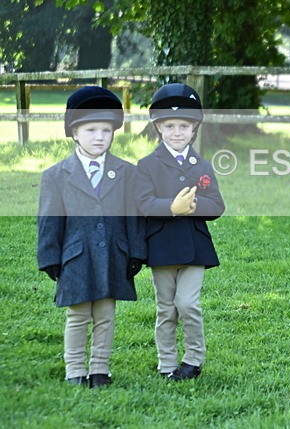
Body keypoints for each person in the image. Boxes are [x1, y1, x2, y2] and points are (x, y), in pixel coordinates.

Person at [37, 86, 145, 388]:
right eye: (91, 130)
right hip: (76, 257)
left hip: (113, 255)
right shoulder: (56, 175)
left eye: (106, 130)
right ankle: (74, 370)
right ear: (74, 132)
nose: (100, 137)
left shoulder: (126, 172)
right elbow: (49, 220)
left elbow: (134, 216)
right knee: (78, 315)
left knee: (106, 314)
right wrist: (49, 256)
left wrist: (136, 252)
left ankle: (99, 369)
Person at [135, 83, 225, 381]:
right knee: (166, 309)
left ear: (194, 128)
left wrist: (194, 205)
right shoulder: (146, 166)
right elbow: (143, 204)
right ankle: (167, 363)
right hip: (161, 247)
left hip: (194, 248)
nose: (177, 132)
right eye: (170, 126)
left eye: (184, 126)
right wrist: (171, 207)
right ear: (158, 128)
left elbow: (217, 205)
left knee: (187, 304)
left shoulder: (202, 165)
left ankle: (193, 360)